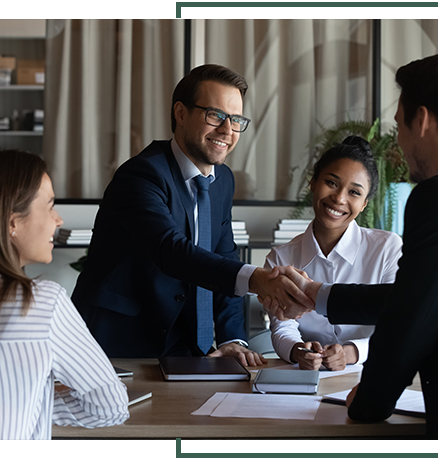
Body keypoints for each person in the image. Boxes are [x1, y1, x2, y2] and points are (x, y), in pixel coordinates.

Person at [265, 53, 438, 439]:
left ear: (422, 120)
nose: (398, 144)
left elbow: (411, 314)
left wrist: (370, 403)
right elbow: (414, 300)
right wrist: (317, 295)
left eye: (400, 125)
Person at [72, 64, 311, 365]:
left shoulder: (223, 180)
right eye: (215, 115)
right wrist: (259, 280)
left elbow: (225, 259)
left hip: (184, 345)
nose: (227, 130)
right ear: (181, 113)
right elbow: (172, 251)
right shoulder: (141, 175)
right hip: (119, 344)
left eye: (236, 119)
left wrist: (232, 339)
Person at [0, 150, 129, 440]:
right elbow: (110, 406)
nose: (58, 220)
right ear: (12, 222)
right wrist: (31, 406)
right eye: (50, 206)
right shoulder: (42, 303)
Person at [265, 136, 402, 371]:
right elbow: (282, 326)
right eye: (331, 182)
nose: (339, 199)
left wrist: (351, 352)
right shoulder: (281, 258)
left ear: (365, 203)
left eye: (354, 192)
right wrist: (297, 350)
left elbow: (397, 325)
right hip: (305, 378)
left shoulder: (388, 249)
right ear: (313, 182)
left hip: (370, 375)